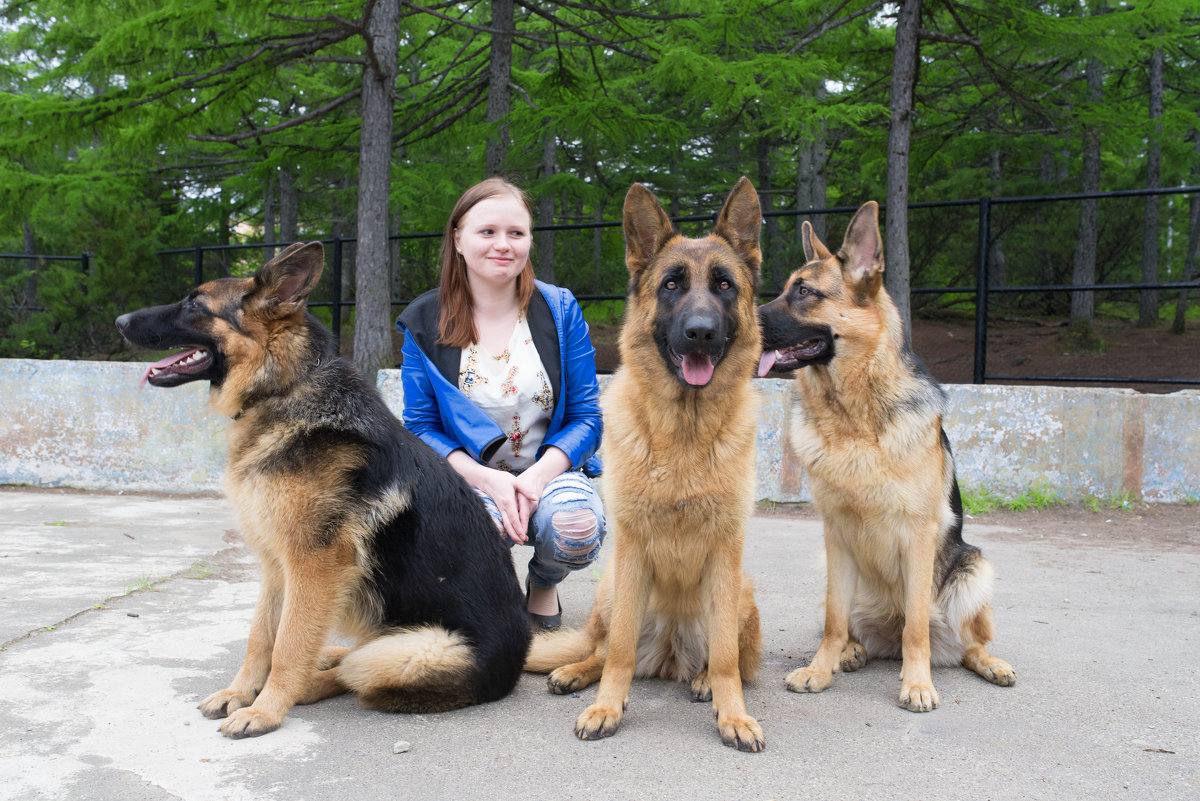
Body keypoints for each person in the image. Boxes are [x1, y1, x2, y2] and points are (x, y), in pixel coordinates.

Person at [396, 177, 606, 630]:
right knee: (469, 537)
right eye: (487, 232)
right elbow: (419, 427)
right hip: (469, 478)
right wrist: (487, 479)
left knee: (575, 531)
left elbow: (588, 418)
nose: (503, 245)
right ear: (458, 239)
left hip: (550, 471)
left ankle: (544, 582)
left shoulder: (560, 308)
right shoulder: (424, 321)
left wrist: (534, 479)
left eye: (516, 233)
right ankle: (494, 582)